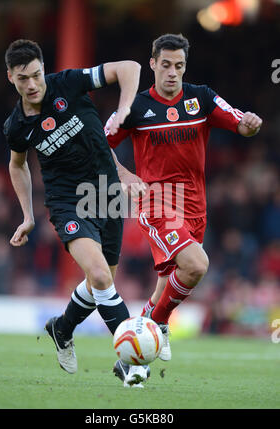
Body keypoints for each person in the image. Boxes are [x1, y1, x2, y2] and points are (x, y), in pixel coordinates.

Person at [106, 33, 262, 367]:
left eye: (179, 66)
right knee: (196, 265)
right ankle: (158, 326)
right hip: (157, 201)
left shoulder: (201, 98)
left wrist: (250, 123)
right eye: (165, 65)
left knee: (168, 282)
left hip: (195, 206)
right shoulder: (134, 106)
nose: (172, 72)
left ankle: (135, 355)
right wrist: (124, 175)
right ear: (152, 65)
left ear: (185, 66)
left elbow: (240, 123)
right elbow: (98, 143)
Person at [3, 39, 150, 387]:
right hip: (68, 201)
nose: (33, 84)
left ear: (43, 68)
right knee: (100, 276)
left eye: (37, 75)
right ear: (11, 77)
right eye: (23, 78)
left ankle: (62, 328)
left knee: (102, 280)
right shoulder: (16, 126)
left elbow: (129, 67)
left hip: (108, 194)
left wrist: (125, 109)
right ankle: (132, 360)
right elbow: (17, 164)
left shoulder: (67, 82)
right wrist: (27, 215)